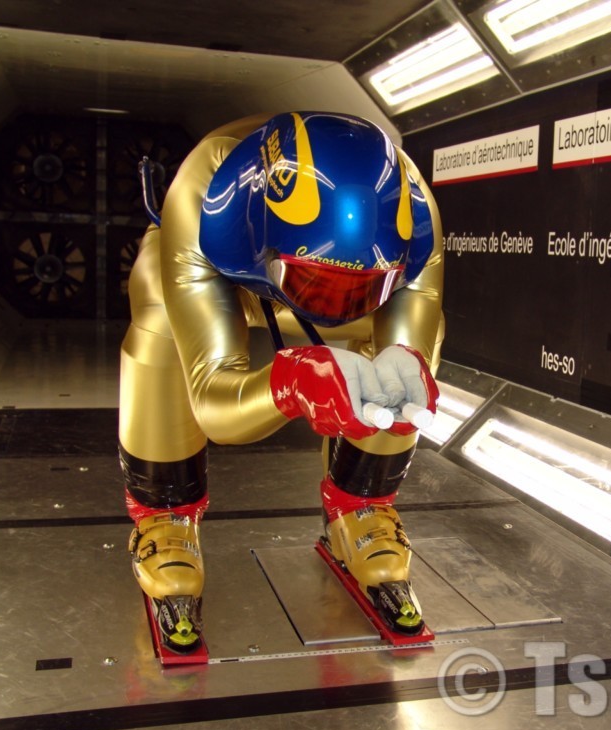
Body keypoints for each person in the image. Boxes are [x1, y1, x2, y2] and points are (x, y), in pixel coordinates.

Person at [118, 111, 444, 652]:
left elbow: (409, 339)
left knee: (405, 360)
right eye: (321, 287)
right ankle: (164, 513)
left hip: (307, 266)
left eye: (356, 292)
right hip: (231, 276)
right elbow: (214, 404)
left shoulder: (416, 221)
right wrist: (289, 380)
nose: (334, 309)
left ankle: (363, 504)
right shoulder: (203, 195)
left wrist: (408, 370)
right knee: (158, 313)